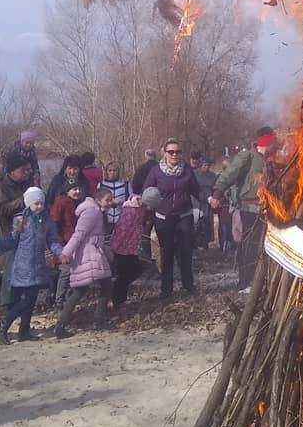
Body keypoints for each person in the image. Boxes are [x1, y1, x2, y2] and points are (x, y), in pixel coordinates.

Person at [0, 187, 64, 343]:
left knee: (31, 299)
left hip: (38, 265)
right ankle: (2, 325)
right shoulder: (20, 219)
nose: (40, 206)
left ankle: (24, 330)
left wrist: (61, 252)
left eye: (41, 203)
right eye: (36, 203)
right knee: (26, 300)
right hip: (23, 265)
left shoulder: (46, 220)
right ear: (29, 203)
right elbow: (11, 241)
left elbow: (52, 240)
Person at [210, 128, 280, 293]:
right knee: (249, 244)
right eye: (272, 141)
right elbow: (230, 174)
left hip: (267, 209)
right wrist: (217, 193)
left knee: (263, 246)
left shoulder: (269, 161)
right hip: (249, 208)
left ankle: (260, 281)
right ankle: (246, 282)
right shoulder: (248, 156)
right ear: (265, 141)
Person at [145, 139, 202, 298]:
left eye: (177, 152)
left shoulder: (187, 170)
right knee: (167, 252)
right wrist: (144, 203)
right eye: (171, 152)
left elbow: (196, 191)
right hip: (163, 217)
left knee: (185, 251)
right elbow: (147, 191)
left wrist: (211, 199)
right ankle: (166, 289)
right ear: (165, 153)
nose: (174, 155)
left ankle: (188, 285)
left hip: (184, 215)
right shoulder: (156, 171)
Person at [56, 187, 115, 337]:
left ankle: (62, 324)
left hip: (94, 253)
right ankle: (96, 320)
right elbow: (78, 234)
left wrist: (108, 254)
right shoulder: (92, 212)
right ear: (98, 199)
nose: (110, 203)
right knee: (89, 288)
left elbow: (101, 239)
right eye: (107, 200)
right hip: (88, 255)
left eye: (111, 199)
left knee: (85, 289)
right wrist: (66, 253)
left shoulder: (98, 212)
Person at [0, 156, 34, 309]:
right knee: (11, 267)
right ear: (11, 171)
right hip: (9, 232)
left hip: (28, 231)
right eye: (23, 170)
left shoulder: (27, 184)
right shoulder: (1, 188)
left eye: (28, 170)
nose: (27, 173)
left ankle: (21, 297)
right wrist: (24, 199)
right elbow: (2, 210)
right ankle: (7, 301)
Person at [109, 189, 150, 306]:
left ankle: (120, 299)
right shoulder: (130, 210)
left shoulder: (139, 209)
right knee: (127, 273)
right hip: (122, 248)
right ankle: (117, 300)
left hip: (131, 247)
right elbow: (121, 230)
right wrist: (115, 248)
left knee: (133, 271)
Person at [50, 183, 84, 309]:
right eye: (74, 189)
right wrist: (59, 241)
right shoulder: (61, 202)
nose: (78, 191)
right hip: (64, 242)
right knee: (64, 270)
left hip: (75, 241)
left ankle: (66, 296)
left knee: (72, 270)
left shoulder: (78, 203)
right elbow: (55, 222)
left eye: (79, 189)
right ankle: (59, 299)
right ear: (67, 191)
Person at [100, 162, 129, 233]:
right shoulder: (101, 185)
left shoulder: (126, 185)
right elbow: (97, 202)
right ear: (106, 172)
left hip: (122, 219)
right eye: (110, 170)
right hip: (106, 219)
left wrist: (121, 202)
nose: (112, 172)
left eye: (114, 170)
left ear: (118, 172)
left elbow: (132, 202)